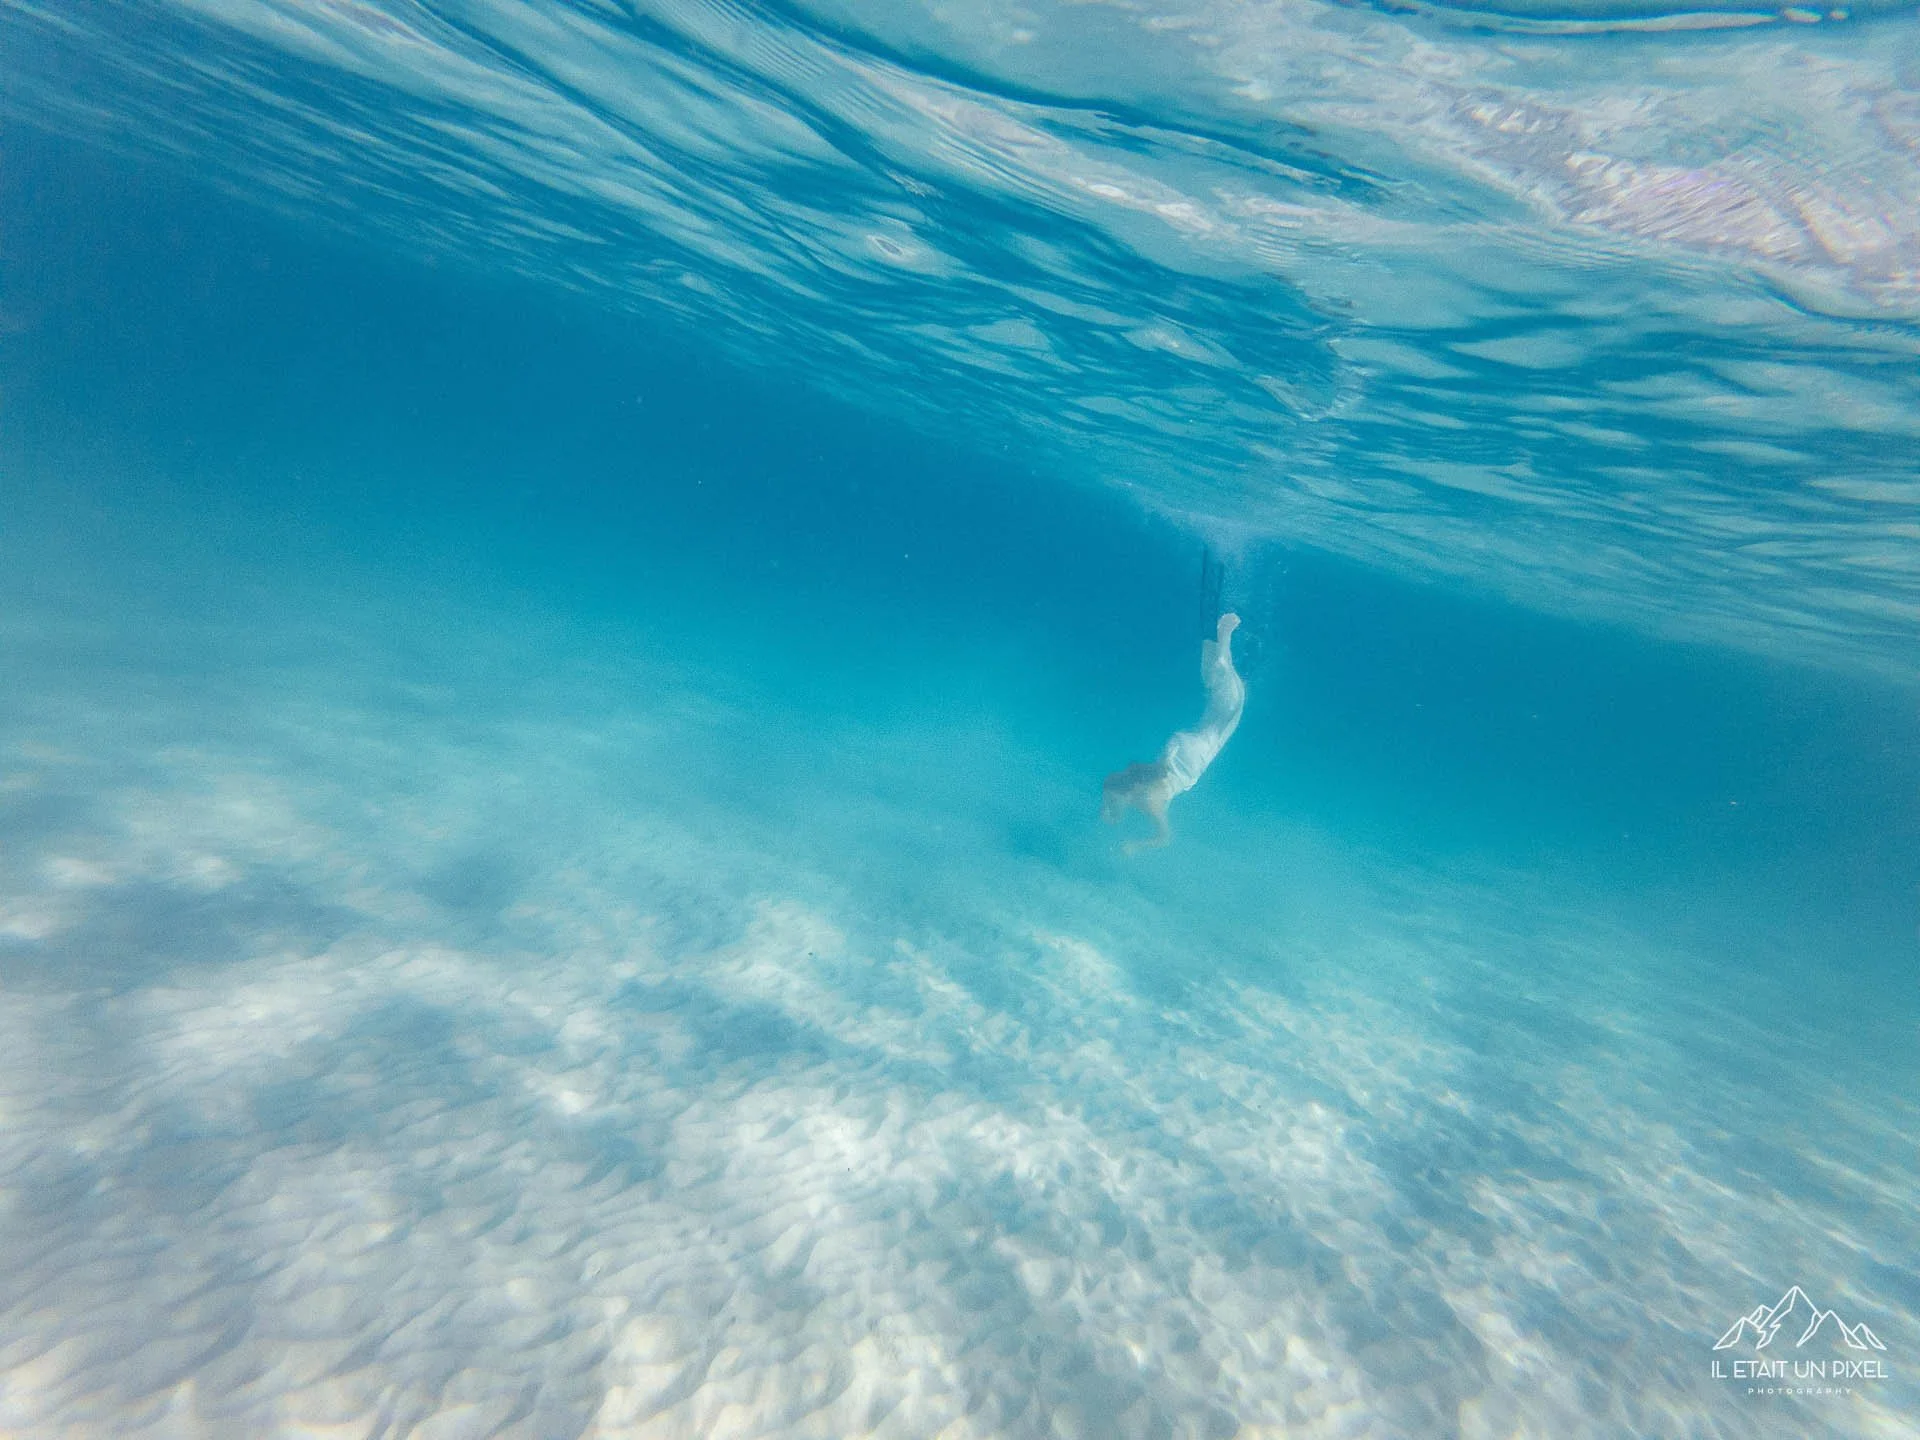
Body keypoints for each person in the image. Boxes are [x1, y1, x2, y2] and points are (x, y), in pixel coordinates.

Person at [1102, 612, 1245, 853]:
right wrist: (1110, 811)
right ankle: (1217, 645)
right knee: (1217, 707)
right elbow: (1110, 792)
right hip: (1178, 749)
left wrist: (1135, 846)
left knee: (1226, 714)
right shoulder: (1126, 784)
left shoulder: (1148, 802)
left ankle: (1224, 638)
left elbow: (1164, 838)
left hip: (1191, 759)